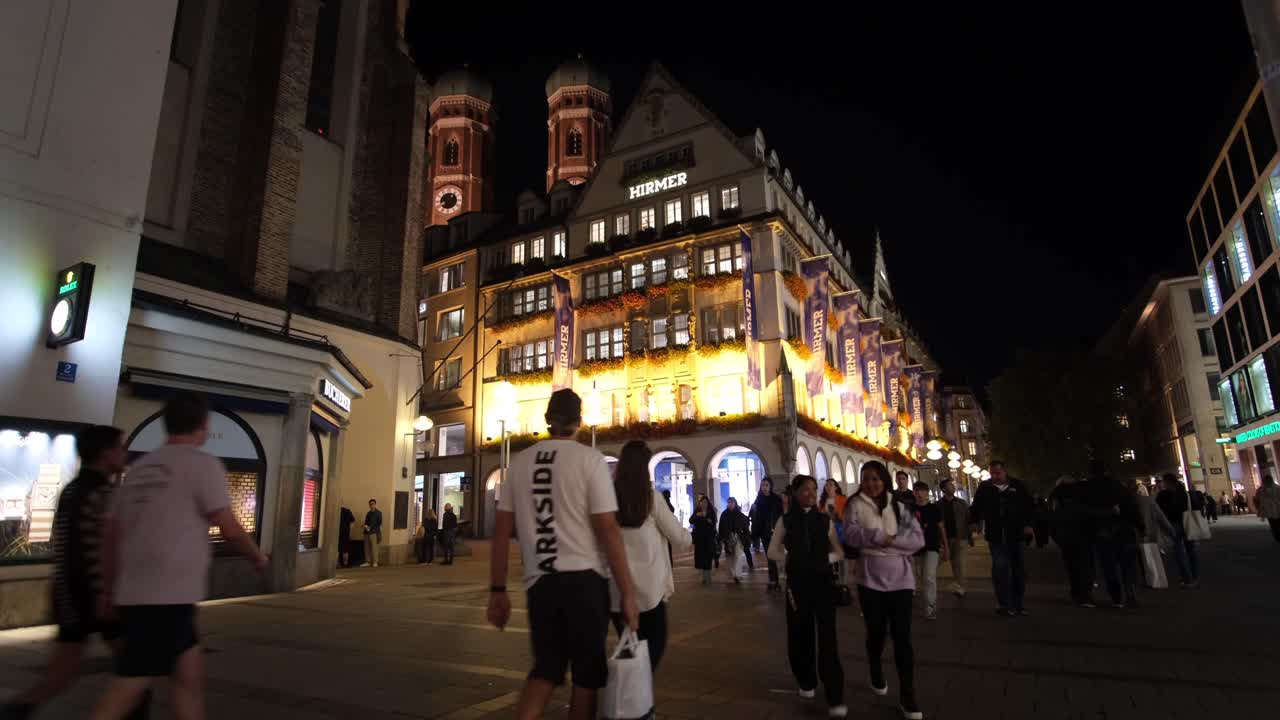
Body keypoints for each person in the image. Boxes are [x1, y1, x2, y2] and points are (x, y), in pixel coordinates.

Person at [89, 392, 268, 720]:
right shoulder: (202, 464)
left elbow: (111, 536)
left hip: (141, 594)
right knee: (128, 685)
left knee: (188, 681)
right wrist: (256, 556)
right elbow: (228, 527)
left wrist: (108, 590)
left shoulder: (139, 469)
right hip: (167, 596)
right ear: (204, 425)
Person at [485, 389, 639, 720]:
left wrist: (497, 590)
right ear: (579, 422)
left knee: (546, 669)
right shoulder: (590, 460)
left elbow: (501, 533)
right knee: (586, 676)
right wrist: (627, 592)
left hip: (541, 583)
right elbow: (608, 530)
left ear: (547, 420)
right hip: (585, 582)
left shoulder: (520, 464)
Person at [1, 427, 151, 720]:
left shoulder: (72, 490)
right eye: (119, 448)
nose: (124, 454)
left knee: (62, 674)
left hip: (71, 593)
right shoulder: (103, 494)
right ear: (105, 453)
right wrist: (107, 593)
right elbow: (102, 547)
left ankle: (17, 710)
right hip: (95, 594)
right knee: (134, 671)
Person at [842, 461, 925, 720]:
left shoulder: (899, 506)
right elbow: (851, 535)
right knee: (876, 633)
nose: (871, 483)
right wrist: (877, 536)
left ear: (884, 480)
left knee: (902, 638)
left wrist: (892, 542)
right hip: (870, 581)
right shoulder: (854, 505)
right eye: (866, 478)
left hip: (901, 580)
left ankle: (908, 694)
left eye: (876, 478)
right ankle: (875, 667)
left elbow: (917, 540)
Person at [768, 475, 847, 718]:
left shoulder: (824, 520)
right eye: (805, 490)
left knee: (828, 638)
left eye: (814, 489)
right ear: (795, 493)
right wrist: (790, 559)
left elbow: (838, 551)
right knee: (799, 634)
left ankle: (834, 693)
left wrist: (822, 560)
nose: (811, 494)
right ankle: (806, 680)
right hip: (797, 586)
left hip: (823, 584)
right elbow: (772, 551)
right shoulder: (786, 520)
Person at [610, 440, 692, 671]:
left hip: (616, 591)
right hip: (648, 592)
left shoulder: (608, 498)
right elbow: (679, 537)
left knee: (630, 648)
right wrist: (689, 536)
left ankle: (629, 689)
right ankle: (634, 691)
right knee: (652, 647)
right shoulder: (651, 498)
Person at [969, 461, 1035, 616]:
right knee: (1000, 568)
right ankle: (1004, 603)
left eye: (998, 473)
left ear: (1005, 472)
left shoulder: (1017, 486)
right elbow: (976, 507)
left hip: (1016, 534)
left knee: (1018, 569)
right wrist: (974, 521)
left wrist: (1028, 524)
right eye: (992, 473)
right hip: (996, 535)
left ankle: (1018, 603)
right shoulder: (985, 487)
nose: (995, 476)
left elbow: (1029, 506)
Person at [1082, 461, 1142, 609]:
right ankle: (1130, 592)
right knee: (1127, 565)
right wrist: (1140, 526)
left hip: (1102, 533)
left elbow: (1084, 513)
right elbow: (1131, 507)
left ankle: (1116, 597)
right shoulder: (1118, 486)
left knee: (1109, 567)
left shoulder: (1087, 489)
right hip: (1124, 530)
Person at [1049, 474, 1094, 606]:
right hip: (1082, 534)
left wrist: (1057, 536)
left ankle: (1076, 593)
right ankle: (1085, 594)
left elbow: (1053, 518)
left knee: (1072, 566)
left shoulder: (1056, 497)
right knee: (1085, 565)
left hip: (1066, 536)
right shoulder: (1082, 495)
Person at [911, 482, 947, 620]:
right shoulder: (910, 509)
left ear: (927, 493)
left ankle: (930, 607)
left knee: (929, 577)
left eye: (922, 491)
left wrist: (946, 547)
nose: (919, 494)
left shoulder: (934, 509)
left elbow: (941, 528)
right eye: (916, 491)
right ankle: (927, 603)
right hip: (915, 548)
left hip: (932, 546)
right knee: (921, 576)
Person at [1156, 474, 1200, 587]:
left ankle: (1186, 578)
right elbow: (1195, 505)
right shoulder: (1184, 493)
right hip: (1187, 523)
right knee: (1191, 550)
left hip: (1173, 524)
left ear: (1167, 482)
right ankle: (1195, 577)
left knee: (1178, 551)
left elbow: (1159, 510)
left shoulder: (1163, 495)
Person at [939, 479, 973, 597]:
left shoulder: (961, 503)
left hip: (960, 537)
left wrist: (970, 537)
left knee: (960, 563)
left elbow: (968, 519)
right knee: (953, 563)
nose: (953, 487)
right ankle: (958, 584)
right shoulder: (938, 505)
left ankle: (961, 587)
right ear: (943, 489)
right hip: (945, 538)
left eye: (952, 485)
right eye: (950, 485)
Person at [751, 478, 785, 591]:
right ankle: (773, 580)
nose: (764, 487)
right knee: (770, 556)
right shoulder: (758, 499)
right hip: (764, 533)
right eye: (762, 485)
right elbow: (755, 517)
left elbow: (780, 514)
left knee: (774, 556)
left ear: (770, 486)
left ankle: (776, 580)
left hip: (775, 531)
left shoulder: (776, 499)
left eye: (766, 485)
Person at [718, 497, 752, 583]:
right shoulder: (724, 514)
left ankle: (738, 574)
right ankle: (732, 574)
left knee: (738, 555)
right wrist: (721, 538)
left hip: (739, 537)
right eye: (729, 502)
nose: (730, 504)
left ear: (735, 503)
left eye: (732, 502)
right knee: (730, 556)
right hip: (728, 538)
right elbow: (721, 527)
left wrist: (747, 538)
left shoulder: (740, 515)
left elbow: (745, 527)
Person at [691, 495, 718, 584]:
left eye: (705, 502)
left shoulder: (711, 511)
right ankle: (704, 577)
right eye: (702, 502)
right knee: (701, 558)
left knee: (708, 557)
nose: (703, 504)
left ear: (708, 503)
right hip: (699, 539)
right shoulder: (697, 511)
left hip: (709, 538)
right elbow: (691, 520)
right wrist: (697, 516)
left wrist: (709, 521)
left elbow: (714, 522)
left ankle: (708, 577)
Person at [1256, 475, 1280, 542]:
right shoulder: (1261, 489)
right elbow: (1257, 498)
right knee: (1274, 524)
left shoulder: (1261, 489)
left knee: (1274, 524)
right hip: (1271, 509)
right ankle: (1277, 536)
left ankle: (1277, 536)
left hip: (1274, 509)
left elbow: (1257, 498)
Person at [362, 499, 382, 568]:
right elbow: (366, 522)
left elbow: (379, 523)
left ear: (375, 504)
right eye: (370, 504)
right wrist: (366, 526)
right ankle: (368, 561)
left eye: (373, 504)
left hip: (374, 532)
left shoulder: (378, 513)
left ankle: (375, 562)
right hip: (367, 532)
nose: (371, 505)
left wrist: (371, 527)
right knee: (366, 548)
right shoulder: (368, 513)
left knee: (374, 548)